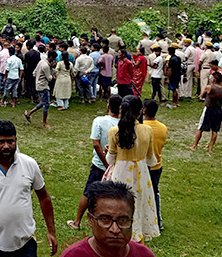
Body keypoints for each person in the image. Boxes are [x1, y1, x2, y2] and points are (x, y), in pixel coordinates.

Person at [0, 120, 58, 257]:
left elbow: (44, 197)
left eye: (10, 141)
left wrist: (51, 231)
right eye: (0, 141)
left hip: (25, 242)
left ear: (16, 140)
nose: (6, 146)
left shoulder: (29, 164)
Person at [106, 96, 159, 242]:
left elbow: (110, 159)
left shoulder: (114, 131)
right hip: (141, 172)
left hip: (121, 172)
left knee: (120, 205)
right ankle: (139, 240)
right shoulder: (147, 130)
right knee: (140, 204)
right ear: (141, 112)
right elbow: (150, 159)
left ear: (121, 109)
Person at [67, 95, 122, 230]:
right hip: (117, 165)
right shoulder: (123, 124)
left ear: (108, 107)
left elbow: (96, 144)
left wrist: (105, 163)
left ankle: (77, 221)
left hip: (100, 164)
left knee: (89, 192)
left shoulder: (99, 121)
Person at [60, 181, 156, 257]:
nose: (115, 229)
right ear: (90, 219)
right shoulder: (74, 255)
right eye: (105, 220)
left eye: (122, 220)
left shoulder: (144, 254)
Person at [142, 99, 168, 231]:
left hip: (143, 165)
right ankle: (158, 220)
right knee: (154, 192)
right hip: (157, 165)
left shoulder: (141, 127)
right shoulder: (163, 128)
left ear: (144, 111)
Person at [187, 72, 222, 153]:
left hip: (209, 109)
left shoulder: (209, 87)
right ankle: (211, 148)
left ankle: (195, 145)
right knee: (215, 130)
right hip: (218, 110)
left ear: (214, 79)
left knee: (200, 128)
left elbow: (201, 95)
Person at [25, 50, 56, 128]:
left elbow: (34, 73)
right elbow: (49, 78)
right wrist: (53, 73)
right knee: (46, 104)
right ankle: (44, 123)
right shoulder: (46, 66)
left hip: (38, 84)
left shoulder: (41, 62)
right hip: (44, 86)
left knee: (45, 102)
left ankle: (30, 113)